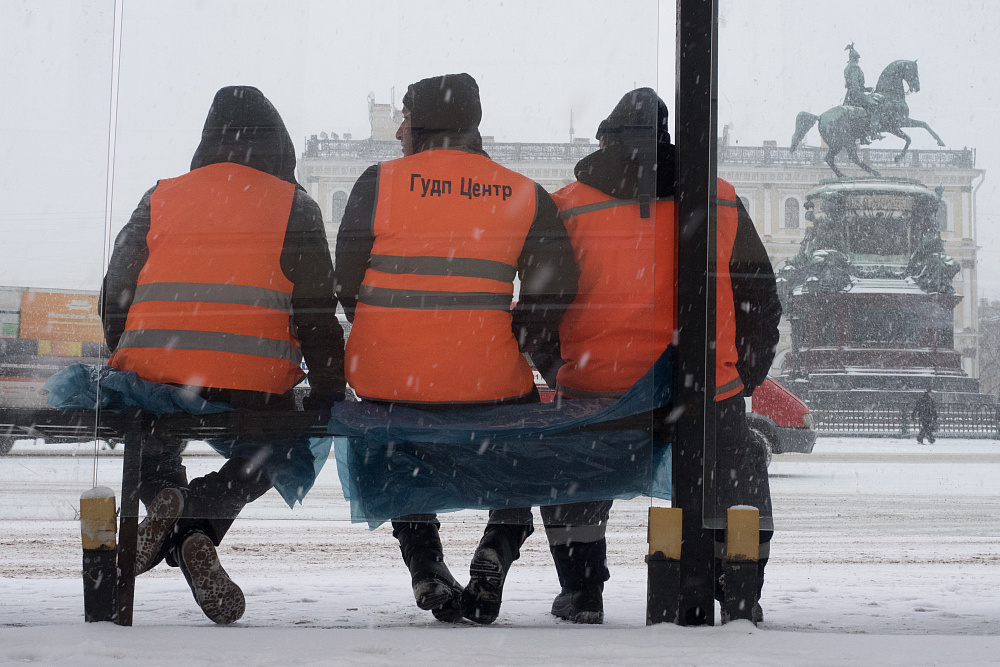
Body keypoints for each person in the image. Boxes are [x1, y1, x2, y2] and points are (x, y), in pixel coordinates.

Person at [334, 73, 578, 624]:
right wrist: (516, 336)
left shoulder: (378, 183)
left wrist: (391, 336)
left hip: (388, 380)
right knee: (525, 451)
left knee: (395, 443)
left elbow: (344, 280)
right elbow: (557, 286)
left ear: (422, 125)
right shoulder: (521, 192)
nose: (398, 129)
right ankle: (498, 544)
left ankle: (424, 564)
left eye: (405, 118)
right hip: (486, 380)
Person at [100, 86, 345, 624]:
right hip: (248, 382)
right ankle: (200, 517)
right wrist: (329, 391)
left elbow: (116, 289)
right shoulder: (294, 206)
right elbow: (316, 315)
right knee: (282, 445)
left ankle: (166, 496)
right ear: (279, 146)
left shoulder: (160, 196)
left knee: (143, 432)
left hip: (156, 372)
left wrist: (129, 357)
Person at [553, 88, 781, 624]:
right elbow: (760, 297)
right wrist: (743, 375)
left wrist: (556, 366)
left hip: (598, 386)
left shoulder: (569, 205)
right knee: (737, 475)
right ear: (668, 139)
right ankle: (738, 589)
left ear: (606, 139)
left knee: (575, 485)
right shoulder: (720, 199)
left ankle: (583, 592)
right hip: (704, 384)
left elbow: (543, 299)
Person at [843, 43, 882, 144]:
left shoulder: (848, 67)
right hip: (856, 94)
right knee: (875, 106)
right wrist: (862, 93)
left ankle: (863, 135)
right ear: (855, 58)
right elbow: (855, 84)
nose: (858, 60)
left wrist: (867, 89)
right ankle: (872, 132)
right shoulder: (855, 68)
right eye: (857, 58)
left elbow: (853, 84)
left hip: (850, 95)